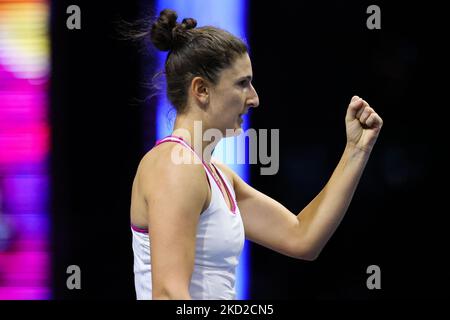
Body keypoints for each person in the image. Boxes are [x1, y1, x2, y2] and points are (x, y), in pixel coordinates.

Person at [130, 9, 383, 300]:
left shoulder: (218, 176)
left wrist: (357, 149)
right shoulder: (174, 166)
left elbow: (303, 236)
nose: (254, 98)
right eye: (242, 83)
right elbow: (167, 294)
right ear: (201, 90)